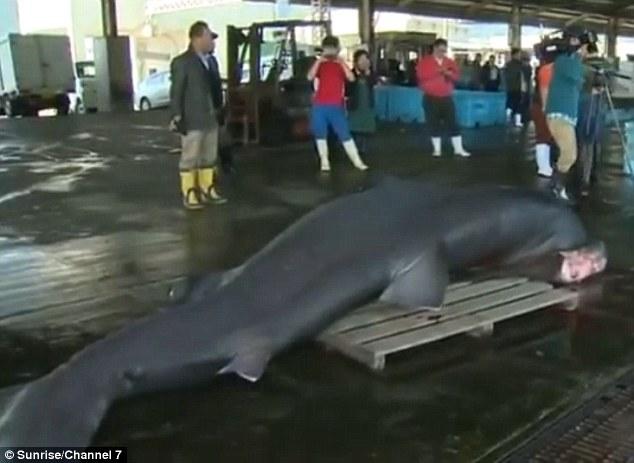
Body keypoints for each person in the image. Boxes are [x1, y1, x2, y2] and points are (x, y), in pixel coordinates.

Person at [170, 21, 226, 210]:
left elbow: (216, 89)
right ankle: (189, 192)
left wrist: (220, 110)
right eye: (210, 37)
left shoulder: (211, 62)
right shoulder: (182, 62)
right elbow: (177, 91)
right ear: (197, 38)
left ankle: (207, 188)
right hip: (192, 119)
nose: (212, 42)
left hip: (211, 118)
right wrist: (177, 116)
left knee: (209, 156)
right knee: (190, 157)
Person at [307, 35, 368, 172]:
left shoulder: (339, 64)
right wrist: (319, 60)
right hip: (320, 105)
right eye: (327, 49)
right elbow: (310, 76)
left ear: (337, 49)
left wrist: (340, 61)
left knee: (344, 133)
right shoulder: (320, 64)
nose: (330, 52)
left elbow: (351, 78)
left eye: (332, 49)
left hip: (336, 105)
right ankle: (324, 161)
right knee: (320, 134)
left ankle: (357, 161)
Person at [546, 31, 592, 202]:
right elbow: (578, 75)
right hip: (560, 115)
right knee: (570, 154)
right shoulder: (564, 61)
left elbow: (576, 88)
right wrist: (581, 57)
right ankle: (556, 187)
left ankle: (556, 186)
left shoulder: (569, 63)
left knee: (568, 153)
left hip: (565, 116)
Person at [416, 38, 471, 158]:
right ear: (434, 48)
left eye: (444, 51)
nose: (442, 53)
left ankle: (458, 149)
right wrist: (438, 71)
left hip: (446, 97)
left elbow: (457, 77)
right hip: (430, 97)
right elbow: (420, 75)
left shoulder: (449, 62)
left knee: (453, 123)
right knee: (433, 123)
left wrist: (449, 74)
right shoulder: (425, 62)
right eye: (440, 50)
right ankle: (437, 150)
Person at [576, 43, 607, 196]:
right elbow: (609, 88)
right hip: (600, 110)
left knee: (585, 143)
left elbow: (577, 87)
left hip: (586, 108)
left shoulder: (582, 67)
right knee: (596, 142)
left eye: (582, 49)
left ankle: (585, 179)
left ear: (587, 50)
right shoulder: (605, 65)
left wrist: (589, 90)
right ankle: (595, 172)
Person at [205, 34, 234, 175]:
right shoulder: (198, 63)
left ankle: (226, 165)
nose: (213, 44)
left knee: (223, 139)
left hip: (217, 106)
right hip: (207, 109)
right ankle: (211, 172)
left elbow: (216, 82)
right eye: (211, 40)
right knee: (209, 142)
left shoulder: (212, 61)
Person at [346, 49, 377, 155]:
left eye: (366, 59)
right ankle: (355, 146)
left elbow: (374, 83)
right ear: (356, 62)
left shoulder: (370, 74)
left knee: (366, 125)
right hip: (355, 104)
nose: (364, 62)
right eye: (361, 59)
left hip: (367, 103)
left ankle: (364, 146)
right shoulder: (351, 73)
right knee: (355, 126)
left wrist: (369, 74)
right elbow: (348, 89)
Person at [531, 59, 555, 177]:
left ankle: (544, 166)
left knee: (544, 136)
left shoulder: (542, 69)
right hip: (542, 105)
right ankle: (543, 167)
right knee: (543, 136)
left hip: (539, 104)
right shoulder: (547, 70)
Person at [505, 48, 532, 127]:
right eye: (518, 54)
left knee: (510, 103)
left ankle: (507, 116)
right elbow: (527, 75)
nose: (519, 55)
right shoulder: (520, 65)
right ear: (515, 54)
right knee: (519, 105)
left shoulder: (508, 65)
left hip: (510, 88)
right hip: (519, 88)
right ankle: (517, 121)